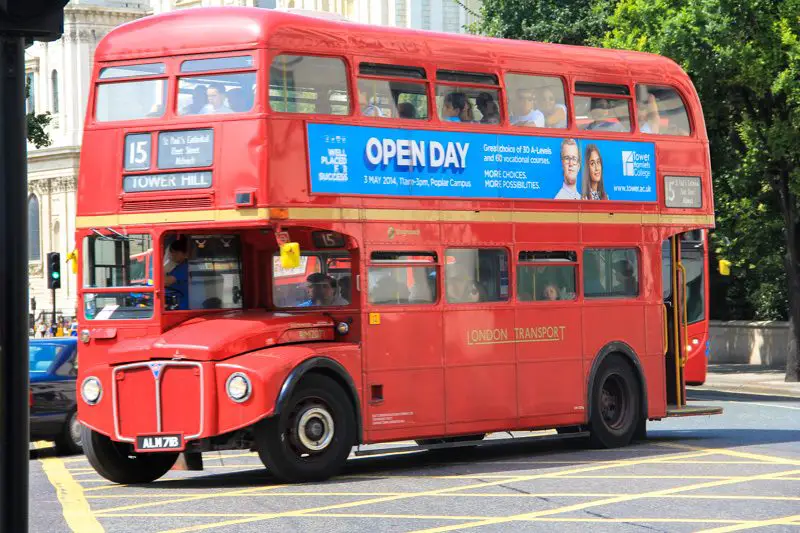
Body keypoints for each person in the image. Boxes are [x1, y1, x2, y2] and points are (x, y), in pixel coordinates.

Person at [164, 237, 189, 310]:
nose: (172, 255)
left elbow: (165, 282)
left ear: (183, 253)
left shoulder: (185, 267)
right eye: (171, 252)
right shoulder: (179, 266)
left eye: (175, 252)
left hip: (183, 306)